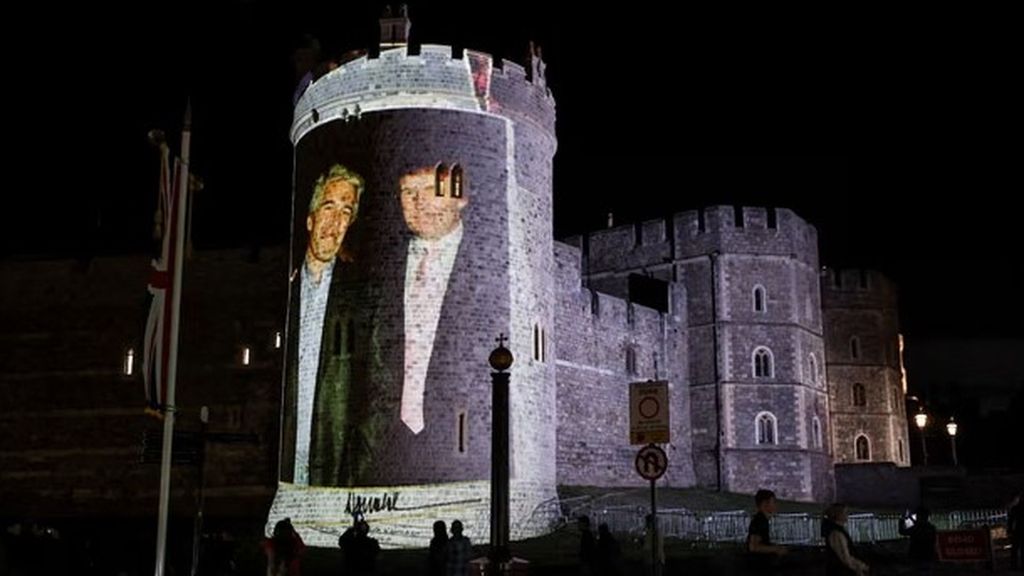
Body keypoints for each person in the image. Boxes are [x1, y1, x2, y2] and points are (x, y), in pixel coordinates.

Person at [281, 164, 364, 487]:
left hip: (333, 468)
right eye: (328, 207)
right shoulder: (286, 294)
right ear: (310, 218)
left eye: (346, 211)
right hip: (286, 459)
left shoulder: (357, 299)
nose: (334, 222)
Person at [822, 504, 869, 576]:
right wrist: (860, 567)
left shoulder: (836, 531)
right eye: (845, 512)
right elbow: (845, 558)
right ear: (838, 515)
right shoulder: (836, 533)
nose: (847, 514)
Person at [746, 489, 787, 573]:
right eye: (773, 502)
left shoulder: (761, 520)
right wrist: (776, 549)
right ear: (765, 504)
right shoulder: (760, 521)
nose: (776, 506)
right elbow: (754, 547)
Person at [898, 506, 936, 572]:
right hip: (928, 557)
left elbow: (902, 531)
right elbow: (921, 525)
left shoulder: (916, 528)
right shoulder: (931, 528)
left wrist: (902, 519)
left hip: (916, 557)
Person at [1009, 492, 1023, 571]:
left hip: (1017, 530)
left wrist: (1010, 530)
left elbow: (1011, 520)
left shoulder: (1015, 508)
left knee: (1015, 549)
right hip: (1018, 530)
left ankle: (1014, 565)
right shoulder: (1015, 508)